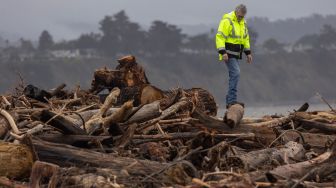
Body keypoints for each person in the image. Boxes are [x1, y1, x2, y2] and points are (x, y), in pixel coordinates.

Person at [216, 4, 252, 108]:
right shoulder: (227, 21)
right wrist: (223, 52)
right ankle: (231, 101)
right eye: (240, 16)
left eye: (243, 16)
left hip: (236, 54)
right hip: (227, 53)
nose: (241, 18)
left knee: (235, 75)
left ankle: (230, 101)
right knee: (236, 73)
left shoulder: (243, 22)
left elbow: (245, 38)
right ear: (236, 12)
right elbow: (219, 37)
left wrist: (248, 53)